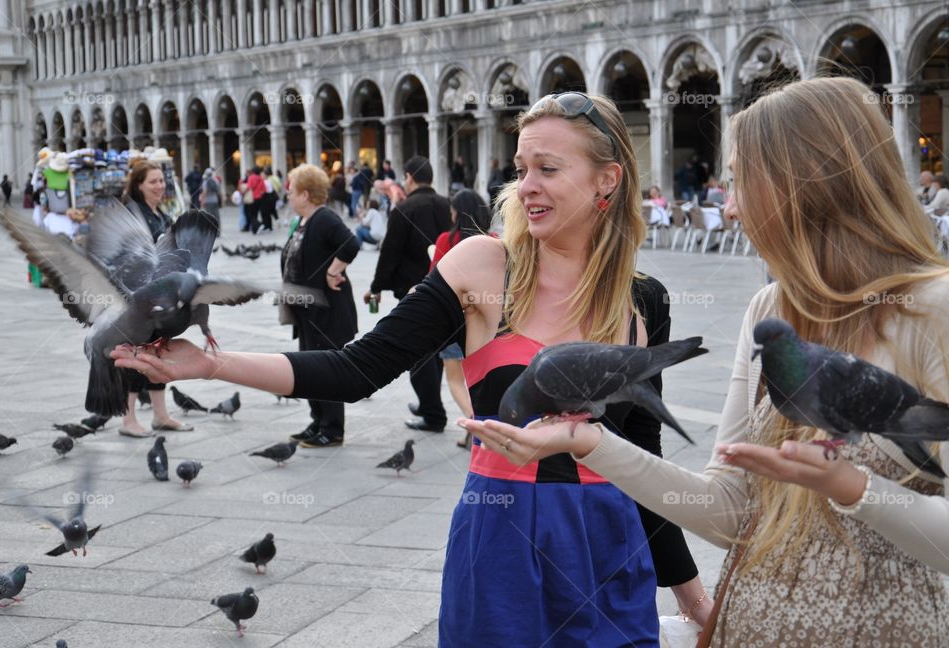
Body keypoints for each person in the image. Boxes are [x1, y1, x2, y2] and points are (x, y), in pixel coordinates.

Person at [111, 92, 709, 647]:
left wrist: (693, 596)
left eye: (548, 170)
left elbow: (642, 454)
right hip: (504, 541)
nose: (526, 186)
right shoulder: (482, 266)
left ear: (608, 180)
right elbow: (356, 369)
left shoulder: (642, 300)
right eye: (521, 169)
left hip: (611, 546)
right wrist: (212, 366)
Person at [466, 78, 949, 647]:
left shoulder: (932, 309)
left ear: (808, 183)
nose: (732, 204)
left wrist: (852, 487)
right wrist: (590, 443)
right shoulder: (770, 310)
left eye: (744, 180)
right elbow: (728, 509)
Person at [365, 156, 451, 433]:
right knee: (436, 351)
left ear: (410, 177)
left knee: (419, 354)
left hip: (416, 291)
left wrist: (376, 287)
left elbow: (389, 254)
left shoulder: (404, 209)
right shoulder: (446, 205)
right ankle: (429, 403)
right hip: (448, 288)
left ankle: (433, 413)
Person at [281, 164, 360, 448]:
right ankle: (317, 421)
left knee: (327, 369)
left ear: (305, 194)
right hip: (307, 311)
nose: (288, 195)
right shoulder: (303, 221)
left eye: (291, 190)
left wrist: (332, 271)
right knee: (310, 367)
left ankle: (332, 429)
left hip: (327, 312)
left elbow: (350, 244)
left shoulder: (324, 218)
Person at [118, 159, 192, 437]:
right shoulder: (132, 214)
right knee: (136, 355)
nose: (160, 186)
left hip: (159, 296)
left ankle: (160, 415)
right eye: (153, 181)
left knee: (158, 351)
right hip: (137, 298)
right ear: (139, 185)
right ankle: (128, 419)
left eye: (162, 180)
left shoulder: (158, 213)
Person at [429, 189, 492, 448]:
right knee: (478, 380)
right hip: (483, 322)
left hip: (451, 322)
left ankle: (476, 426)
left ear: (457, 211)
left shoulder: (447, 239)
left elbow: (434, 279)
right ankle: (478, 427)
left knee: (455, 380)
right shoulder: (492, 241)